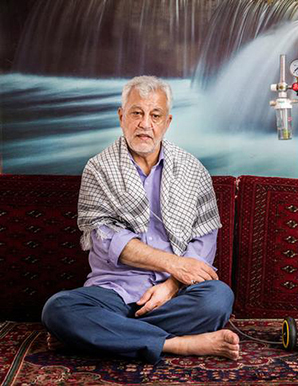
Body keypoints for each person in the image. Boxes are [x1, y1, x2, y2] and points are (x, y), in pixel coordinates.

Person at [41, 76, 240, 363]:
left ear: (167, 122)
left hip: (175, 295)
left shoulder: (193, 170)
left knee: (218, 298)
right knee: (58, 309)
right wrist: (174, 263)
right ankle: (180, 345)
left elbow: (204, 243)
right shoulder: (99, 169)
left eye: (155, 115)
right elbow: (108, 240)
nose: (145, 124)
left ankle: (95, 337)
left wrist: (172, 284)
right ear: (121, 117)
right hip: (113, 295)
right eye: (136, 113)